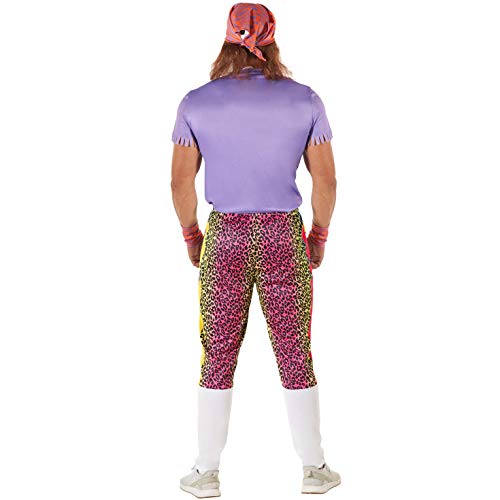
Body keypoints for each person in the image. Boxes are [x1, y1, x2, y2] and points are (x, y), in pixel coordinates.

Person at [171, 3, 339, 497]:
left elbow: (180, 182)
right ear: (272, 40)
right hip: (284, 235)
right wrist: (318, 235)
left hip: (224, 236)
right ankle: (314, 468)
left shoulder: (196, 103)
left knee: (217, 349)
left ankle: (206, 472)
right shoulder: (304, 100)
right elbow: (326, 181)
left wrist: (192, 235)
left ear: (228, 39)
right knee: (294, 347)